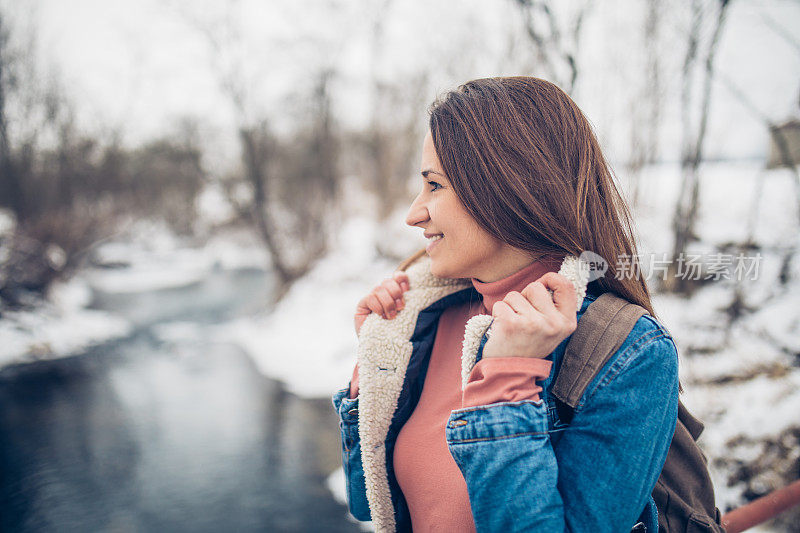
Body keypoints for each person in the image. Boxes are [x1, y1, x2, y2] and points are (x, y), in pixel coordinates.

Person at [332, 76, 679, 532]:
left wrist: (506, 379)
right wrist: (374, 362)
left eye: (434, 186)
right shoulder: (427, 318)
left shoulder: (630, 353)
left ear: (503, 188)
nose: (414, 213)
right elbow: (369, 503)